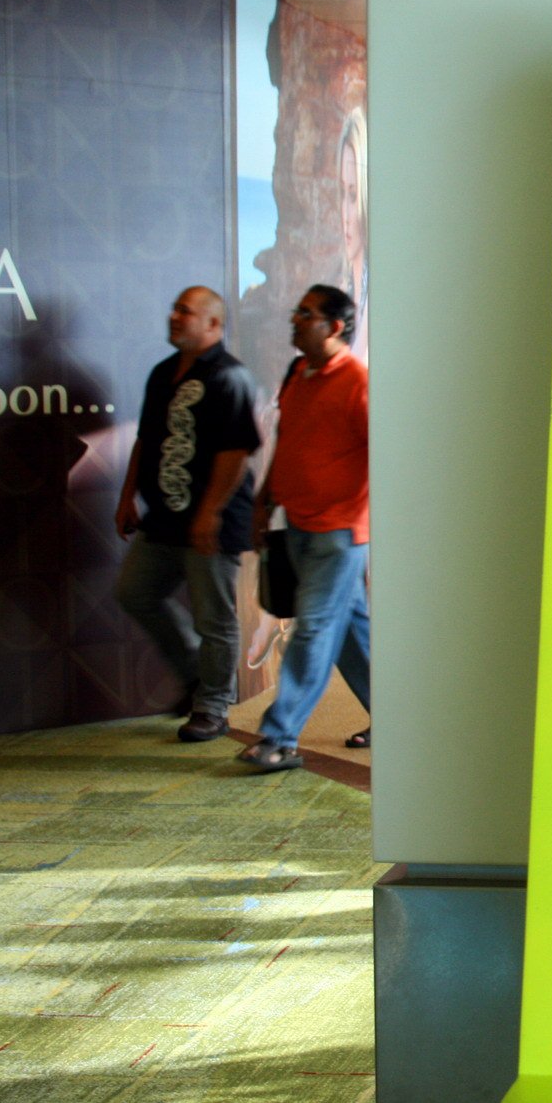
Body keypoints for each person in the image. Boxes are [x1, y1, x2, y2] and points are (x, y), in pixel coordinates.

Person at [115, 286, 262, 741]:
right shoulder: (163, 373)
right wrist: (127, 496)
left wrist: (209, 513)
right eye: (175, 308)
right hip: (163, 517)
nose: (175, 316)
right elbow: (145, 439)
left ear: (213, 324)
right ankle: (198, 675)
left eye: (186, 311)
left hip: (212, 523)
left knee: (214, 618)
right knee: (135, 592)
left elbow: (236, 451)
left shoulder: (230, 376)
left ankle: (213, 707)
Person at [240, 285, 371, 773]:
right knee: (352, 633)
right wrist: (263, 501)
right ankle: (400, 719)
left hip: (340, 534)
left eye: (306, 314)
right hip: (297, 525)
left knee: (312, 628)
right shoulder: (298, 372)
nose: (294, 319)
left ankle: (278, 738)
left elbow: (385, 456)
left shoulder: (358, 383)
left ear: (334, 327)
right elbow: (288, 440)